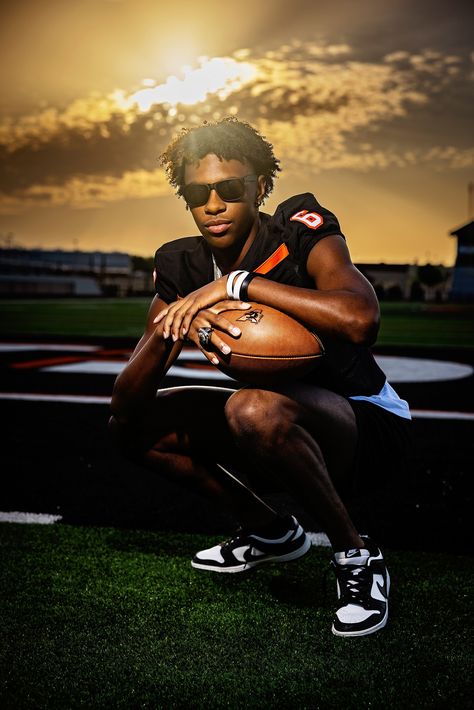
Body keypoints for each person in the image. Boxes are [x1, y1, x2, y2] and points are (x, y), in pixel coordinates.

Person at [110, 117, 412, 638]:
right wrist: (174, 323)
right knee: (129, 427)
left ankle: (357, 556)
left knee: (251, 408)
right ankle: (271, 532)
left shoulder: (298, 231)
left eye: (229, 188)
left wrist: (240, 286)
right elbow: (126, 399)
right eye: (197, 191)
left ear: (260, 187)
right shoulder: (180, 263)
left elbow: (362, 319)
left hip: (364, 425)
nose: (213, 203)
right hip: (270, 429)